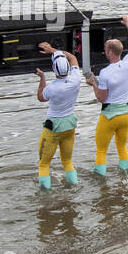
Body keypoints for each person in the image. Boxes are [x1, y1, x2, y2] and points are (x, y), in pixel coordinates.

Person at [85, 15, 128, 176]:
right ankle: (125, 175)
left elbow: (101, 97)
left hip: (109, 116)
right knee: (122, 148)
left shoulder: (105, 73)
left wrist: (93, 82)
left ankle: (100, 180)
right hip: (125, 115)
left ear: (109, 52)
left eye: (106, 50)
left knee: (101, 150)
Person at [34, 42, 82, 190]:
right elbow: (73, 57)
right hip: (69, 126)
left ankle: (45, 196)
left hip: (53, 128)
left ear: (54, 70)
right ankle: (75, 187)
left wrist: (42, 77)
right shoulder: (75, 79)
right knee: (67, 161)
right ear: (68, 68)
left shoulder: (52, 88)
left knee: (43, 163)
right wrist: (53, 50)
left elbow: (41, 97)